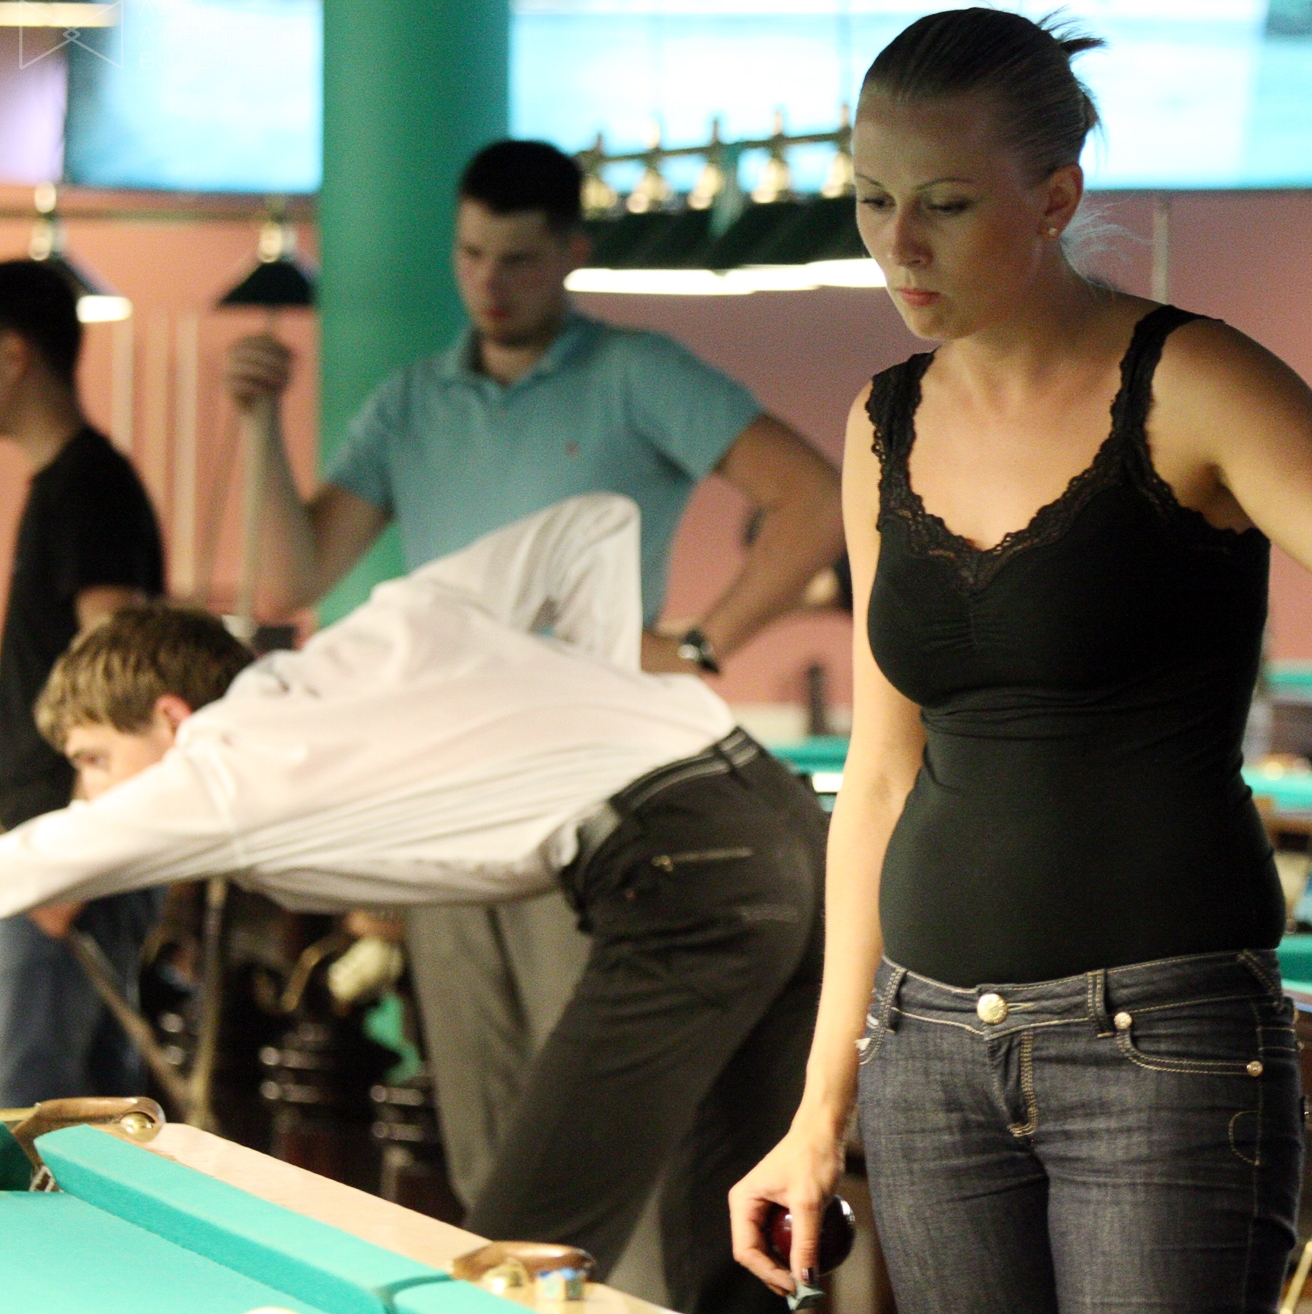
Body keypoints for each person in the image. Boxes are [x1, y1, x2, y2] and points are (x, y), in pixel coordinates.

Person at [726, 10, 1312, 1314]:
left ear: (1055, 198)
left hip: (1159, 1047)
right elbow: (878, 775)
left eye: (944, 204)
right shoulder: (881, 420)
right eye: (871, 198)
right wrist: (819, 1109)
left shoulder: (1195, 380)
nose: (898, 243)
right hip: (924, 1051)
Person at [223, 139, 845, 1244]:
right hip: (450, 794)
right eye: (471, 255)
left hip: (594, 797)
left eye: (516, 258)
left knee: (599, 1133)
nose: (489, 282)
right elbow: (287, 579)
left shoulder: (635, 373)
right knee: (486, 1140)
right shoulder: (413, 401)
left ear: (569, 252)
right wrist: (260, 423)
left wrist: (698, 642)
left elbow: (813, 494)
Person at [2, 495, 824, 1313]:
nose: (90, 793)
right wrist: (600, 692)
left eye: (94, 758)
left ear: (170, 717)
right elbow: (591, 524)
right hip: (782, 817)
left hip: (683, 873)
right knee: (737, 1230)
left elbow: (29, 862)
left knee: (519, 1253)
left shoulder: (220, 767)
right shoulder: (364, 643)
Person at [0, 260, 165, 1107]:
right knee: (70, 1115)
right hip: (54, 851)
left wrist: (78, 858)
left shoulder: (89, 486)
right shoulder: (65, 485)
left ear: (14, 355)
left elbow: (120, 682)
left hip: (67, 861)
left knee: (37, 1116)